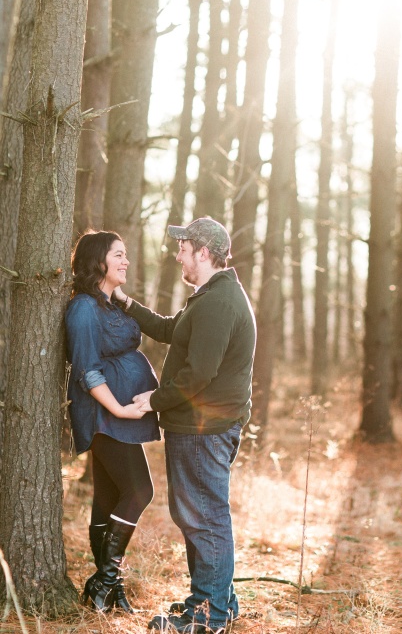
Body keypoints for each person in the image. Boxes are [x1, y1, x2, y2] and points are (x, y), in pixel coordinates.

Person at [113, 217, 256, 634]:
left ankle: (208, 617)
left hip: (204, 430)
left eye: (184, 248)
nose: (178, 255)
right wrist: (125, 302)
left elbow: (197, 375)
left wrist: (153, 400)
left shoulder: (218, 302)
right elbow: (168, 329)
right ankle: (215, 602)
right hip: (201, 428)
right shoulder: (210, 296)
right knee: (198, 514)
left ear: (204, 254)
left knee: (205, 518)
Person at [65, 230, 161, 614]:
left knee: (107, 498)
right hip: (103, 416)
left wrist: (120, 297)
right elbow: (87, 371)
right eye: (118, 255)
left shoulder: (108, 303)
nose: (126, 261)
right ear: (98, 260)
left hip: (116, 417)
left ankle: (107, 589)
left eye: (126, 255)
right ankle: (105, 581)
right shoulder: (84, 308)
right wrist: (120, 409)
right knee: (139, 490)